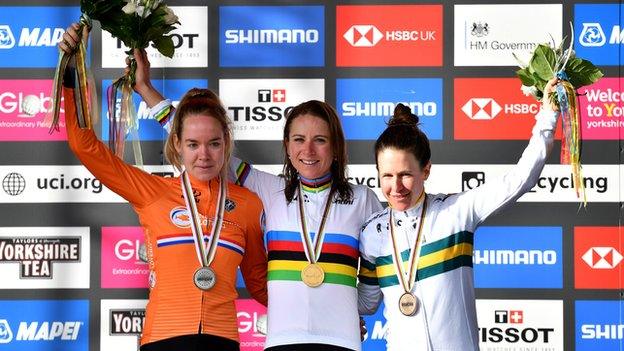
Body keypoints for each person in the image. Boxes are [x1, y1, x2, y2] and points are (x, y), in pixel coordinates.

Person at [136, 56, 382, 350]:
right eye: (299, 139)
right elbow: (200, 136)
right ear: (287, 147)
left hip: (343, 340)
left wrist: (358, 306)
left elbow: (378, 267)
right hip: (282, 341)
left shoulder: (363, 199)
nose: (308, 150)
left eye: (320, 140)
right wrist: (147, 91)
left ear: (336, 146)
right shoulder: (268, 190)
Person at [60, 24, 268, 351]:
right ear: (178, 145)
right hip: (163, 337)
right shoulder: (153, 192)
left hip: (223, 339)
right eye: (193, 144)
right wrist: (73, 70)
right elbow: (85, 146)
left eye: (214, 143)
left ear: (226, 143)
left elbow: (259, 284)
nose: (204, 154)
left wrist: (324, 313)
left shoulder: (248, 204)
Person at [356, 78, 561, 350]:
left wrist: (548, 115)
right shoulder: (372, 234)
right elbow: (366, 304)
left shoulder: (456, 212)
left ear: (426, 170)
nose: (396, 187)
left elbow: (520, 179)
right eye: (387, 176)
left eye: (406, 175)